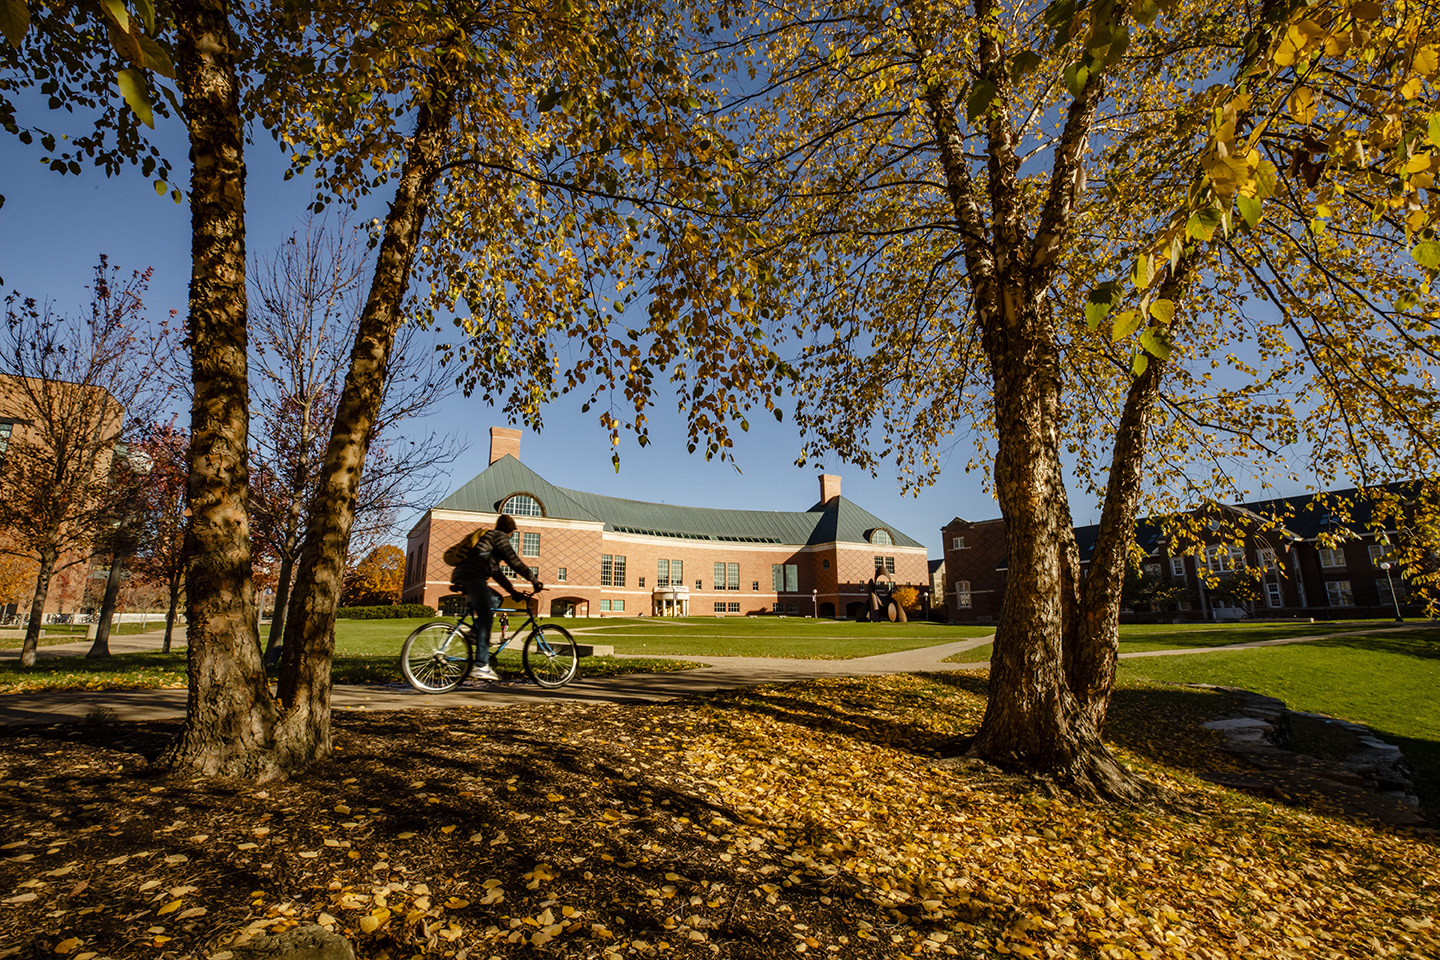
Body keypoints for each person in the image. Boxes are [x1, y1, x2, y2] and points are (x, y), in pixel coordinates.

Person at [444, 514, 542, 681]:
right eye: (512, 533)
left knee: (496, 598)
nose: (511, 536)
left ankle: (475, 632)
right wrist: (533, 579)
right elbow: (514, 561)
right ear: (510, 531)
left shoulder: (489, 542)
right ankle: (481, 665)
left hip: (465, 575)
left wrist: (512, 592)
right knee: (486, 619)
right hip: (472, 577)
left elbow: (496, 572)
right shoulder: (499, 537)